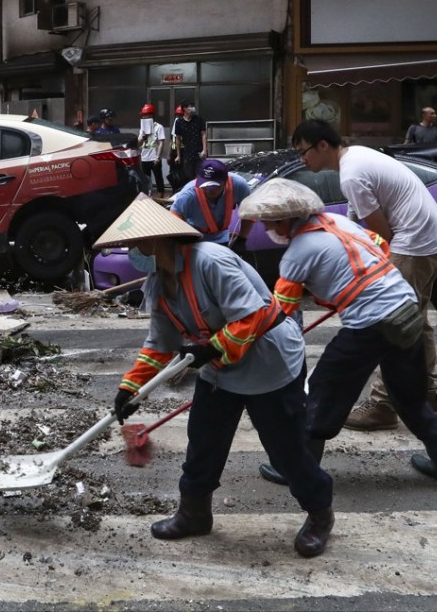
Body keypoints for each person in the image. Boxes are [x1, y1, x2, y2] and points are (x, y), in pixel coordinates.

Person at [94, 194, 334, 558]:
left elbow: (252, 316)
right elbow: (159, 343)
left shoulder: (211, 261)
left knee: (287, 451)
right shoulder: (158, 283)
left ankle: (319, 514)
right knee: (204, 441)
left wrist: (211, 348)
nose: (133, 252)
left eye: (137, 244)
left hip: (268, 364)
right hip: (220, 369)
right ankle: (194, 513)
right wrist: (131, 388)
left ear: (159, 240)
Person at [238, 178, 437, 484]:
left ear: (283, 219)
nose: (266, 230)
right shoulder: (341, 223)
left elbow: (280, 313)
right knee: (408, 396)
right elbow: (381, 246)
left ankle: (298, 469)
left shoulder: (297, 253)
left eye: (267, 224)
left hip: (371, 322)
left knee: (323, 390)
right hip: (406, 309)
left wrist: (245, 344)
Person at [293, 119, 437, 430]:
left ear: (322, 146)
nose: (303, 160)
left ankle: (384, 406)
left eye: (304, 153)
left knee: (393, 322)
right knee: (416, 319)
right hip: (425, 237)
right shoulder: (356, 157)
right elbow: (358, 219)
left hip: (412, 241)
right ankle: (429, 390)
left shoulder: (352, 174)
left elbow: (380, 234)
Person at [169, 159, 254, 249]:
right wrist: (183, 238)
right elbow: (174, 218)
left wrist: (242, 238)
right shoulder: (188, 194)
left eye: (213, 186)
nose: (208, 190)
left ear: (225, 182)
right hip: (195, 238)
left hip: (221, 237)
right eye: (205, 186)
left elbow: (249, 213)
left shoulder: (239, 186)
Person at [172, 99, 207, 184]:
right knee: (189, 177)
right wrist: (178, 155)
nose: (192, 108)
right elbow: (178, 139)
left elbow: (203, 134)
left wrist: (204, 150)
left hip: (199, 152)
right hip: (187, 153)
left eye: (192, 106)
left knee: (200, 176)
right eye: (190, 106)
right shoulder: (179, 122)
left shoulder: (198, 119)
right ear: (184, 108)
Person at [137, 103, 166, 198]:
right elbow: (139, 144)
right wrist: (143, 137)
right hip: (144, 158)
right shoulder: (142, 128)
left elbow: (161, 142)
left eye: (146, 115)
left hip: (154, 157)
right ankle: (147, 197)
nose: (144, 117)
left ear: (151, 115)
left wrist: (158, 157)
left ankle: (160, 197)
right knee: (146, 179)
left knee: (158, 178)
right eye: (143, 115)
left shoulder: (159, 127)